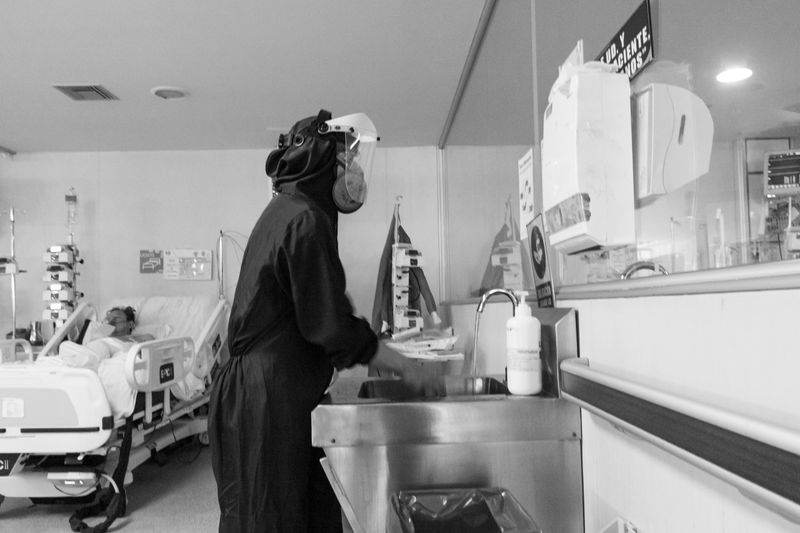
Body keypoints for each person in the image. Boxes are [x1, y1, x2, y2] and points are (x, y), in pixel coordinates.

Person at [209, 110, 441, 533]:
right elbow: (328, 321)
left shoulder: (288, 210)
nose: (353, 173)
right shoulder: (304, 220)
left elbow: (316, 309)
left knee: (305, 508)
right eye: (346, 160)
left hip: (269, 389)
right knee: (274, 518)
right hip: (267, 395)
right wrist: (394, 360)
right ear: (321, 159)